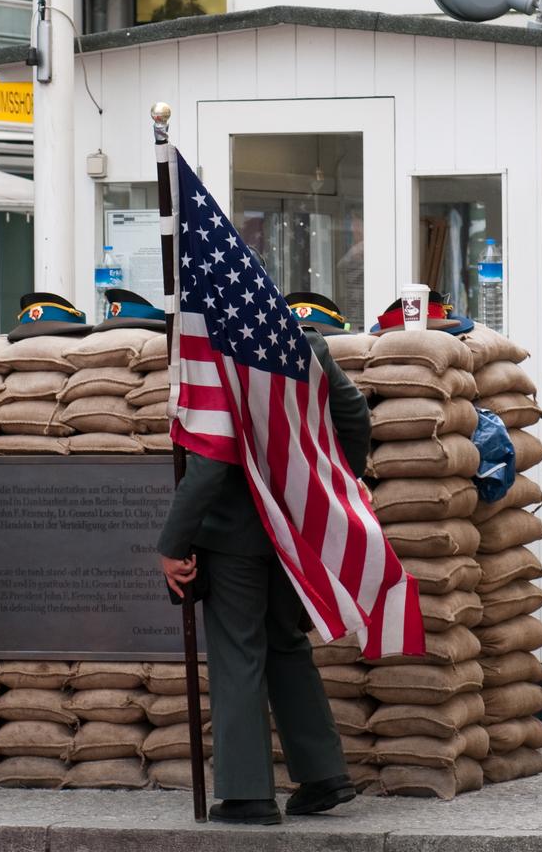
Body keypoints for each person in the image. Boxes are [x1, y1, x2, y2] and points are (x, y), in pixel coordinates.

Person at [156, 299, 370, 825]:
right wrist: (334, 487)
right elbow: (355, 417)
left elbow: (208, 464)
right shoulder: (308, 345)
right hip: (294, 524)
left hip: (234, 534)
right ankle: (323, 776)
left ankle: (248, 794)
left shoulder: (218, 359)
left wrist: (171, 543)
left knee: (238, 653)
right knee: (286, 643)